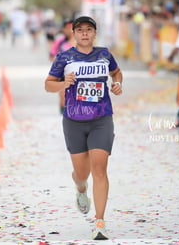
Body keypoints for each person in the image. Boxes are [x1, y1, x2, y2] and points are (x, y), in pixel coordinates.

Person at [44, 16, 123, 240]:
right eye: (80, 30)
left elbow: (116, 72)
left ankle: (99, 222)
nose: (85, 34)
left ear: (94, 33)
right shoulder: (64, 57)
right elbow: (48, 84)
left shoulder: (105, 55)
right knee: (82, 174)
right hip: (74, 121)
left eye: (89, 30)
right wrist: (64, 83)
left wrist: (117, 83)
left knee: (99, 170)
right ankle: (80, 188)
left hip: (101, 119)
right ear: (74, 34)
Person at [49, 19, 75, 114]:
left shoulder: (81, 41)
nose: (70, 31)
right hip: (63, 72)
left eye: (72, 28)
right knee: (63, 93)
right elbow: (52, 55)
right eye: (67, 28)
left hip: (79, 72)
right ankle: (63, 111)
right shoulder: (60, 42)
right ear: (63, 30)